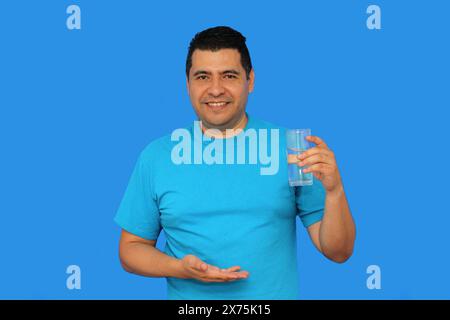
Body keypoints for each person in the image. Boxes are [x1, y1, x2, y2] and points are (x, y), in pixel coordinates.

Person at [114, 26, 356, 299]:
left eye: (229, 76)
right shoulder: (156, 156)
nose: (215, 90)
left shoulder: (291, 148)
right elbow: (130, 249)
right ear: (188, 84)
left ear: (250, 81)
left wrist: (335, 192)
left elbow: (338, 252)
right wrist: (179, 267)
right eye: (202, 76)